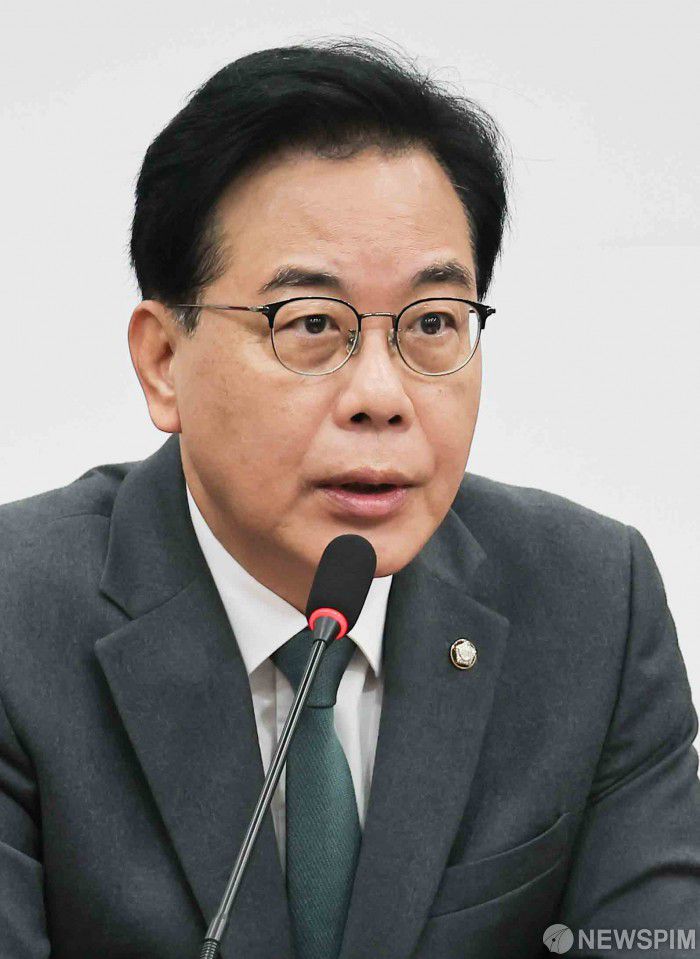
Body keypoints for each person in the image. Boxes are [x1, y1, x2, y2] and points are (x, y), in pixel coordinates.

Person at [1, 38, 698, 959]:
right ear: (164, 361)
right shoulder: (14, 620)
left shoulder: (592, 605)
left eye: (433, 322)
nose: (382, 395)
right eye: (312, 324)